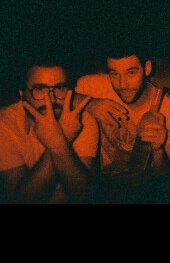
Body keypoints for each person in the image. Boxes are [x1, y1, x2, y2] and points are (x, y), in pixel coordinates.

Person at [0, 56, 99, 203]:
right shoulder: (4, 124)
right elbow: (19, 200)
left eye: (59, 88)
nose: (51, 99)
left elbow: (85, 196)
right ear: (22, 94)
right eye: (40, 89)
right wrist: (61, 140)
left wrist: (58, 144)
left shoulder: (83, 120)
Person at [75, 45, 170, 176]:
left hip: (146, 181)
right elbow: (55, 95)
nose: (122, 84)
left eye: (131, 73)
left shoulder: (167, 108)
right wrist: (90, 103)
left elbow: (167, 176)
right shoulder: (97, 85)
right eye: (114, 74)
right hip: (104, 179)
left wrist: (158, 151)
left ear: (147, 68)